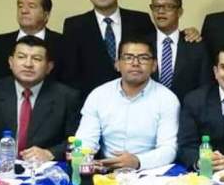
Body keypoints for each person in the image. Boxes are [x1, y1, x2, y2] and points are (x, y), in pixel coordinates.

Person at [0, 36, 80, 162]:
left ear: (49, 67)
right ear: (11, 62)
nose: (28, 64)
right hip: (2, 168)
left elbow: (77, 140)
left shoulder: (66, 96)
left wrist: (50, 153)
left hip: (44, 168)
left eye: (36, 59)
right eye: (21, 57)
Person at [76, 38, 178, 170]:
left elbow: (169, 149)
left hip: (150, 171)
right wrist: (85, 159)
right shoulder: (99, 95)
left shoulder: (167, 99)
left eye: (143, 58)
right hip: (105, 170)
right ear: (117, 64)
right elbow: (85, 140)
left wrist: (138, 161)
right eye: (128, 57)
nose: (135, 63)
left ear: (154, 65)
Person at [61, 0, 155, 98]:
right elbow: (70, 73)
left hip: (139, 98)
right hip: (92, 101)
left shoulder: (140, 20)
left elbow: (155, 55)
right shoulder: (74, 25)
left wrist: (185, 34)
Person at [147, 0, 211, 102]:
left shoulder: (196, 46)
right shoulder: (143, 45)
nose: (161, 11)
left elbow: (204, 86)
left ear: (180, 12)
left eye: (168, 6)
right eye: (156, 6)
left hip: (186, 110)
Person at [0, 0, 64, 81]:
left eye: (31, 6)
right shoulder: (1, 41)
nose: (23, 11)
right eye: (20, 6)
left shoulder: (62, 43)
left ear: (46, 15)